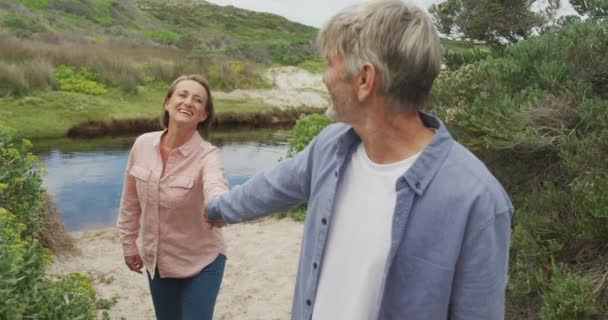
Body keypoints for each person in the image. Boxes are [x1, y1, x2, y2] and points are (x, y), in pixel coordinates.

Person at [206, 1, 513, 319]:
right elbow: (271, 188)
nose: (324, 77)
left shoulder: (478, 201)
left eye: (329, 63)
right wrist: (214, 209)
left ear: (365, 80)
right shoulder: (330, 147)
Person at [117, 74, 228, 320]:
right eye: (182, 95)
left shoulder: (208, 156)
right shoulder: (142, 145)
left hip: (202, 262)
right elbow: (130, 202)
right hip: (158, 263)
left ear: (204, 115)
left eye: (198, 100)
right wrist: (128, 243)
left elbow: (215, 185)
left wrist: (220, 207)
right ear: (167, 103)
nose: (189, 102)